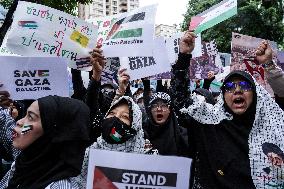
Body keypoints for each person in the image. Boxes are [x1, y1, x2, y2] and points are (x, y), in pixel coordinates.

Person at [171, 31, 284, 189]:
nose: (237, 91)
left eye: (244, 86)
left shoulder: (272, 123)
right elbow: (181, 101)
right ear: (223, 96)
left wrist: (270, 66)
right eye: (230, 87)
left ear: (255, 93)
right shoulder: (210, 121)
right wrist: (183, 56)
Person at [75, 47, 157, 188]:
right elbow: (91, 109)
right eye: (111, 114)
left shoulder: (149, 157)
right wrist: (95, 75)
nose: (115, 119)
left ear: (135, 125)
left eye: (125, 116)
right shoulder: (90, 153)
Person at [0, 95, 91, 189]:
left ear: (51, 131)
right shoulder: (24, 161)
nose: (19, 121)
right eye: (25, 115)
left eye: (31, 117)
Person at [143, 92, 189, 157]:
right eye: (154, 106)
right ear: (150, 110)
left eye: (164, 105)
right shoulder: (142, 135)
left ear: (169, 110)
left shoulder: (183, 136)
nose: (159, 109)